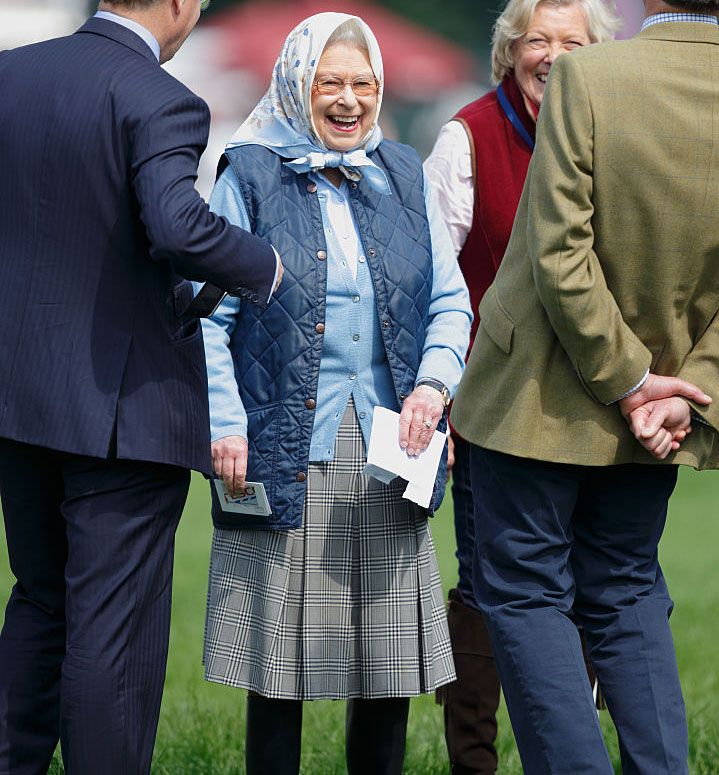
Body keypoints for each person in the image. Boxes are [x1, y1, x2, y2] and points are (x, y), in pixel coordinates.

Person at [451, 0, 719, 770]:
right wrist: (687, 388)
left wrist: (630, 380)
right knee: (626, 590)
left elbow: (557, 250)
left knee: (527, 595)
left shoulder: (586, 75)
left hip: (536, 392)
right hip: (665, 409)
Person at [0, 0, 282, 771]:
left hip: (17, 398)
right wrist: (267, 264)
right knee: (110, 627)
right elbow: (178, 225)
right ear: (178, 4)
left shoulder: (10, 73)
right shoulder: (159, 96)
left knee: (38, 595)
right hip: (122, 412)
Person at [196, 12, 472, 775]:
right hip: (282, 448)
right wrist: (225, 424)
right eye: (331, 83)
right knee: (277, 670)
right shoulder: (247, 175)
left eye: (363, 84)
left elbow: (450, 301)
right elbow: (206, 317)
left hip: (390, 454)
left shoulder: (404, 172)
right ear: (296, 83)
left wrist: (432, 384)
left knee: (386, 671)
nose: (349, 100)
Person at [423, 0, 619, 770]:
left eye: (572, 41)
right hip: (489, 409)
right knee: (485, 591)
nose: (553, 54)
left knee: (586, 588)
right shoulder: (465, 137)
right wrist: (434, 398)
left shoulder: (612, 132)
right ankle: (473, 760)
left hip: (591, 406)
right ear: (508, 51)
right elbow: (432, 284)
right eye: (537, 39)